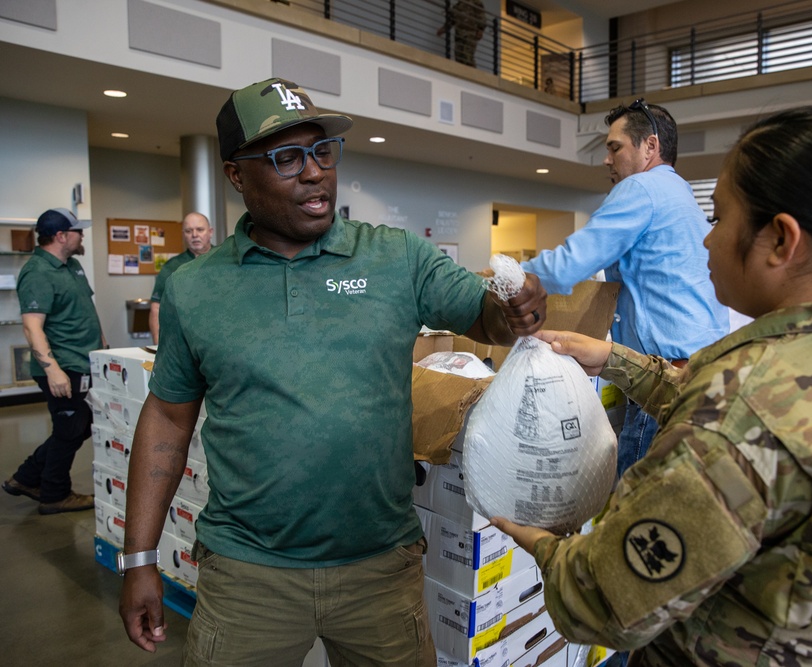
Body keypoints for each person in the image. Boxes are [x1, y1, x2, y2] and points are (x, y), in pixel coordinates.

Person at [493, 106, 812, 665]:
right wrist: (616, 360)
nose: (705, 243)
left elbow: (603, 601)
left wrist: (539, 541)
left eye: (718, 220)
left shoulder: (742, 403)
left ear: (780, 240)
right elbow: (777, 439)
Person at [118, 78, 546, 665]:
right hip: (248, 575)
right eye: (287, 158)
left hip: (381, 568)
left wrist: (514, 305)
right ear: (237, 175)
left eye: (322, 151)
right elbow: (167, 418)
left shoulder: (394, 257)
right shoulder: (196, 288)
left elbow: (485, 316)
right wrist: (139, 559)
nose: (315, 171)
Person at [522, 99, 729, 479]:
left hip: (661, 379)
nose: (606, 159)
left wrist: (504, 279)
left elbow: (569, 265)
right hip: (697, 374)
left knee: (633, 503)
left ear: (650, 146)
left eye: (615, 147)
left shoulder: (642, 188)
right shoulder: (679, 191)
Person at [3, 208, 105, 515]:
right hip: (63, 366)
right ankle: (54, 494)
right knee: (70, 429)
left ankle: (26, 478)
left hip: (84, 362)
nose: (82, 235)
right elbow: (32, 327)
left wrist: (101, 346)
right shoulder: (37, 273)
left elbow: (86, 307)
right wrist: (53, 370)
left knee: (77, 426)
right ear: (61, 236)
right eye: (77, 231)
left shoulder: (71, 265)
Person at [148, 212, 214, 344]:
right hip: (184, 340)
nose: (194, 235)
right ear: (184, 234)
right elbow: (156, 307)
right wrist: (157, 344)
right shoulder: (172, 267)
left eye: (200, 230)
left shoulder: (226, 259)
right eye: (189, 231)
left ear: (210, 232)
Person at [437, 0, 487, 67]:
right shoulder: (457, 6)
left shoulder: (475, 2)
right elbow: (451, 20)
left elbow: (481, 16)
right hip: (459, 36)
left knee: (467, 56)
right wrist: (443, 29)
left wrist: (480, 29)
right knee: (459, 56)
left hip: (470, 34)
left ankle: (471, 74)